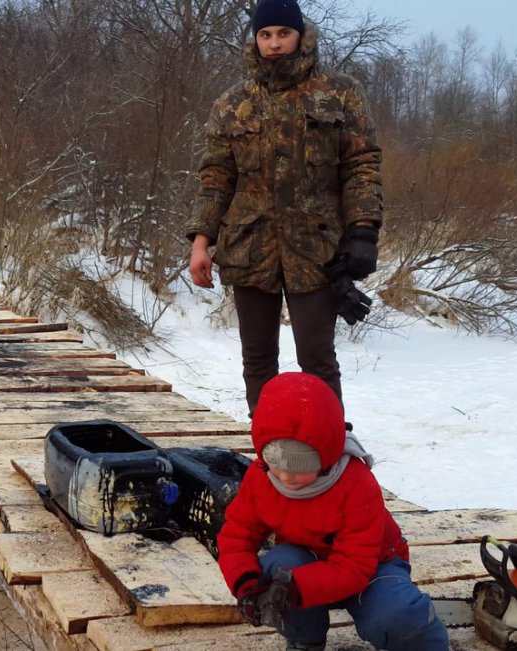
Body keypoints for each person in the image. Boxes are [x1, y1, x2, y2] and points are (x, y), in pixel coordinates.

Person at [186, 0, 381, 416]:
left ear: (300, 35)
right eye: (265, 35)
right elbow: (217, 176)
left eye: (283, 33)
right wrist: (201, 241)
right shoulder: (232, 102)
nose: (274, 43)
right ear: (255, 40)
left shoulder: (340, 92)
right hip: (249, 246)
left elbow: (361, 164)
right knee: (257, 360)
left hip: (317, 250)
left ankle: (327, 455)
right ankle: (269, 454)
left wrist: (363, 231)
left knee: (318, 360)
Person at [217, 372, 449, 651]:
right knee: (277, 569)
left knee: (395, 615)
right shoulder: (261, 479)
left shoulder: (356, 483)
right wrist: (245, 584)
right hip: (309, 562)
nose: (287, 476)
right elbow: (236, 536)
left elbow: (354, 566)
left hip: (374, 566)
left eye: (302, 465)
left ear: (326, 454)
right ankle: (306, 639)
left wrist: (296, 589)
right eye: (276, 462)